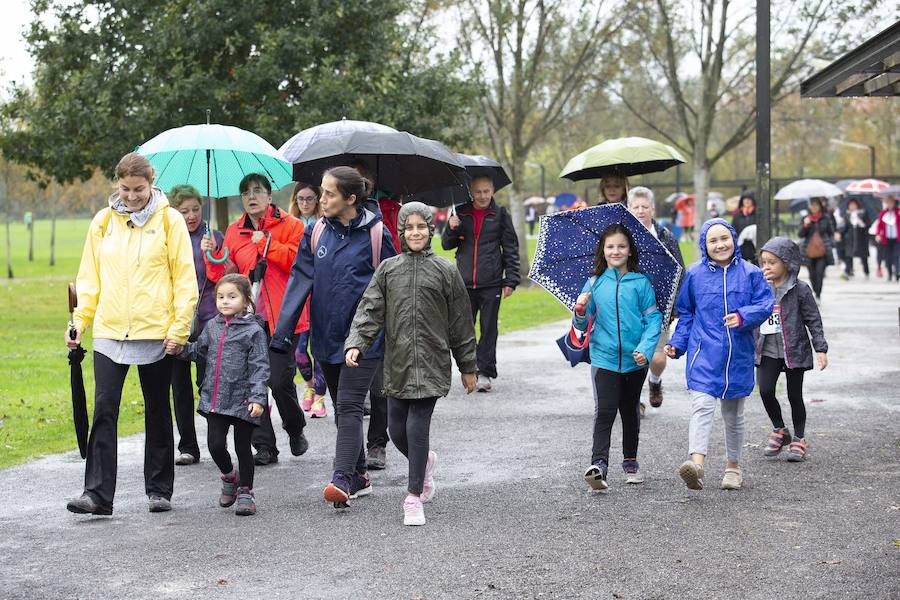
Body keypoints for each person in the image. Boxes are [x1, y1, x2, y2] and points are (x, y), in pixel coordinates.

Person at [65, 152, 198, 516]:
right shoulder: (103, 221)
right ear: (118, 184)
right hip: (110, 331)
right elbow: (90, 279)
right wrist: (79, 322)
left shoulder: (169, 220)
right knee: (105, 408)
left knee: (157, 410)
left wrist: (179, 329)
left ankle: (159, 489)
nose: (132, 196)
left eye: (139, 189)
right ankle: (96, 495)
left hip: (156, 333)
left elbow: (184, 280)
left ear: (151, 183)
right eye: (125, 189)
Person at [344, 202, 477, 525]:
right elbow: (370, 310)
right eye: (409, 228)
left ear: (431, 229)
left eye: (421, 227)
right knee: (395, 430)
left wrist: (468, 366)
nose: (415, 233)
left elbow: (461, 323)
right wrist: (357, 342)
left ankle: (414, 495)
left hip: (432, 362)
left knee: (417, 426)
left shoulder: (445, 271)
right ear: (401, 231)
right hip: (397, 363)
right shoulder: (388, 270)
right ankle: (424, 462)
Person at [272, 166, 397, 508]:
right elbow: (300, 280)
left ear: (351, 198)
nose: (321, 199)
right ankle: (359, 474)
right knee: (345, 409)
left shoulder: (377, 234)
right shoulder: (315, 233)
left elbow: (393, 287)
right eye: (322, 192)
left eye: (329, 194)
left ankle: (341, 478)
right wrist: (282, 334)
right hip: (326, 337)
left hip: (365, 339)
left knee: (349, 404)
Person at [203, 173, 309, 466]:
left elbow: (299, 261)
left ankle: (295, 426)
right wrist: (213, 256)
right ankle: (264, 446)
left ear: (269, 196)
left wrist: (268, 245)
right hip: (250, 320)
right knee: (250, 383)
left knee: (278, 380)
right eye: (246, 193)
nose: (251, 197)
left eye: (257, 191)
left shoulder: (292, 225)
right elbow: (227, 278)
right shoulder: (234, 231)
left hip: (285, 317)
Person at [664, 219, 773, 492]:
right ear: (704, 245)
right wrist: (677, 344)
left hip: (738, 355)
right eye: (713, 241)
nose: (720, 245)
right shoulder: (694, 274)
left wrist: (743, 316)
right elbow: (687, 314)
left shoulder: (751, 273)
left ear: (733, 239)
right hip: (704, 354)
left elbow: (765, 304)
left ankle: (733, 467)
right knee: (701, 406)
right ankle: (696, 465)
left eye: (724, 238)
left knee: (733, 415)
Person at [574, 224, 662, 492]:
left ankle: (630, 461)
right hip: (604, 358)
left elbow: (653, 319)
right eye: (610, 246)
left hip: (636, 360)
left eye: (621, 246)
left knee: (630, 410)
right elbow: (581, 324)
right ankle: (598, 465)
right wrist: (580, 310)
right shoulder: (594, 283)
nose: (616, 251)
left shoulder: (641, 282)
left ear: (630, 250)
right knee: (605, 411)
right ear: (602, 250)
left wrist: (646, 349)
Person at [173, 274, 269, 516]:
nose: (225, 301)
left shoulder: (254, 331)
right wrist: (180, 350)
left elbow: (260, 366)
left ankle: (246, 491)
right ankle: (229, 476)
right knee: (215, 445)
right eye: (221, 297)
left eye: (232, 297)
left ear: (246, 300)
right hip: (216, 399)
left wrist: (258, 398)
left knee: (242, 447)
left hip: (244, 400)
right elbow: (199, 351)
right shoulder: (212, 327)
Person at [441, 175, 520, 392]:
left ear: (493, 190)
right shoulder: (460, 213)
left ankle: (485, 372)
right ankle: (468, 369)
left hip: (491, 282)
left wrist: (511, 280)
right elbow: (446, 245)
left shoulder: (501, 214)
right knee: (465, 330)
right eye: (478, 192)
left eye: (486, 191)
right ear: (471, 192)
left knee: (488, 329)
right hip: (464, 283)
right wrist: (451, 228)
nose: (483, 196)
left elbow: (510, 248)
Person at [755, 238, 828, 463]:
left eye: (772, 262)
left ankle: (799, 438)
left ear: (787, 263)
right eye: (763, 262)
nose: (766, 267)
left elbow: (813, 320)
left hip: (794, 349)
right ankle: (779, 429)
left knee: (794, 395)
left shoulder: (800, 289)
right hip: (767, 349)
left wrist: (820, 348)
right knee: (765, 390)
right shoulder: (758, 287)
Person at [167, 184, 224, 466]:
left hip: (208, 321)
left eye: (195, 209)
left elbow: (223, 279)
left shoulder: (214, 236)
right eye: (184, 211)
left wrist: (211, 254)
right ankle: (188, 446)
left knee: (207, 384)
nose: (191, 216)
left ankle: (217, 442)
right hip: (177, 321)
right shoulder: (167, 238)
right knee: (179, 386)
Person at [349, 160, 396, 470]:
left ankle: (377, 443)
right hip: (343, 314)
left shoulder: (383, 218)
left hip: (376, 312)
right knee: (349, 391)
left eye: (363, 180)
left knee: (380, 385)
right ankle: (351, 451)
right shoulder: (329, 224)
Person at [626, 187, 684, 414]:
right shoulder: (623, 236)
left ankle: (655, 380)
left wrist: (676, 303)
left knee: (657, 358)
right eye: (635, 207)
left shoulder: (665, 237)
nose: (640, 211)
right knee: (633, 355)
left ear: (653, 209)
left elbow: (679, 270)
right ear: (629, 209)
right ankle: (635, 400)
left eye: (644, 207)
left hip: (659, 306)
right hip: (630, 306)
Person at [289, 183, 328, 418]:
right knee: (299, 350)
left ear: (317, 200)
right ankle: (309, 385)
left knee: (319, 346)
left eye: (310, 198)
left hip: (321, 292)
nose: (305, 203)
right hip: (299, 294)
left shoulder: (324, 224)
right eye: (300, 199)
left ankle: (320, 397)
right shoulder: (290, 225)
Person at [798, 197, 835, 301]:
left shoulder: (825, 218)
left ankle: (818, 294)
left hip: (822, 251)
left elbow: (831, 232)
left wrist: (829, 243)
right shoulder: (806, 218)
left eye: (816, 205)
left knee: (819, 273)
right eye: (812, 205)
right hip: (809, 251)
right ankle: (815, 290)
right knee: (812, 274)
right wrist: (806, 225)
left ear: (820, 206)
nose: (814, 207)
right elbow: (800, 234)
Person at [839, 198, 870, 280]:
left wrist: (860, 222)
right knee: (849, 256)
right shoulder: (847, 215)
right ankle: (848, 272)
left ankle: (866, 272)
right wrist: (840, 233)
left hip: (861, 238)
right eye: (850, 205)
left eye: (854, 205)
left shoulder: (863, 213)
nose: (852, 206)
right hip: (850, 239)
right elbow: (844, 227)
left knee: (863, 257)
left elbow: (867, 225)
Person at [874, 194, 900, 282]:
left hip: (897, 239)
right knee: (888, 257)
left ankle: (897, 272)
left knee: (896, 256)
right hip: (886, 239)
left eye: (891, 203)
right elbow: (879, 226)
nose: (889, 205)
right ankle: (889, 273)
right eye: (887, 203)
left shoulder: (898, 212)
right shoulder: (883, 213)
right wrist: (878, 234)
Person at [731, 191, 757, 263]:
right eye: (745, 199)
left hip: (754, 245)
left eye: (749, 199)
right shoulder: (737, 215)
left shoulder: (757, 214)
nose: (747, 201)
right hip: (741, 245)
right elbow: (733, 229)